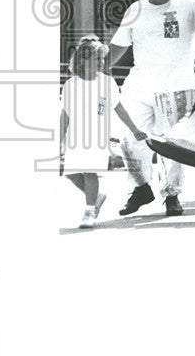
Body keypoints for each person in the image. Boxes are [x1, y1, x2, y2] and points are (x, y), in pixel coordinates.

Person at [109, 0, 195, 218]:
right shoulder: (135, 10)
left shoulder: (188, 5)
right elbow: (120, 45)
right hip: (139, 87)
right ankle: (141, 188)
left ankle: (172, 195)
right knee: (130, 139)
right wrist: (98, 69)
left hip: (176, 88)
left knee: (172, 145)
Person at [60, 36, 148, 228]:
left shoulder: (107, 83)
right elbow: (64, 115)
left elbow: (119, 108)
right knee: (71, 173)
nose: (100, 63)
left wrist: (135, 130)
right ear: (82, 61)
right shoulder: (70, 85)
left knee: (90, 172)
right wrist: (59, 139)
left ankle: (89, 211)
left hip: (97, 136)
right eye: (96, 59)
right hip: (75, 137)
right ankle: (96, 196)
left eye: (102, 59)